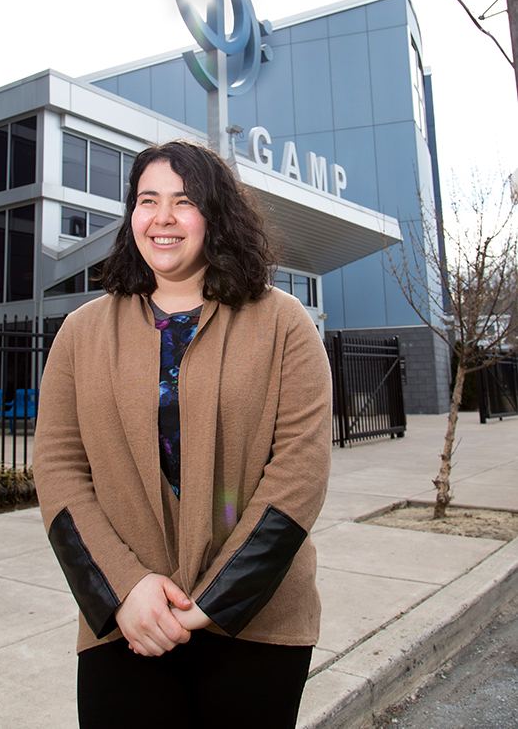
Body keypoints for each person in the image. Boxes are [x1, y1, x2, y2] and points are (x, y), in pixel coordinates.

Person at [33, 140, 332, 729]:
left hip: (257, 622)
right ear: (131, 217)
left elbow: (300, 471)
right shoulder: (80, 332)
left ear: (215, 215)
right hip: (128, 622)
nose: (162, 217)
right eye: (148, 201)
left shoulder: (283, 323)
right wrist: (125, 589)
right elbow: (59, 469)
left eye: (184, 201)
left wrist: (212, 602)